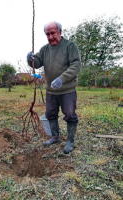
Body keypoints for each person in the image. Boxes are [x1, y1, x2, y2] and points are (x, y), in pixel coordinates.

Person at [27, 21, 81, 154]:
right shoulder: (45, 49)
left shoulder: (70, 46)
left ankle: (70, 141)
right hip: (51, 91)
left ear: (60, 32)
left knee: (69, 114)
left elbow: (76, 65)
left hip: (67, 90)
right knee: (50, 114)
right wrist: (30, 59)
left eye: (53, 33)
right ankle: (55, 137)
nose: (50, 37)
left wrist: (62, 79)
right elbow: (37, 62)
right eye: (47, 34)